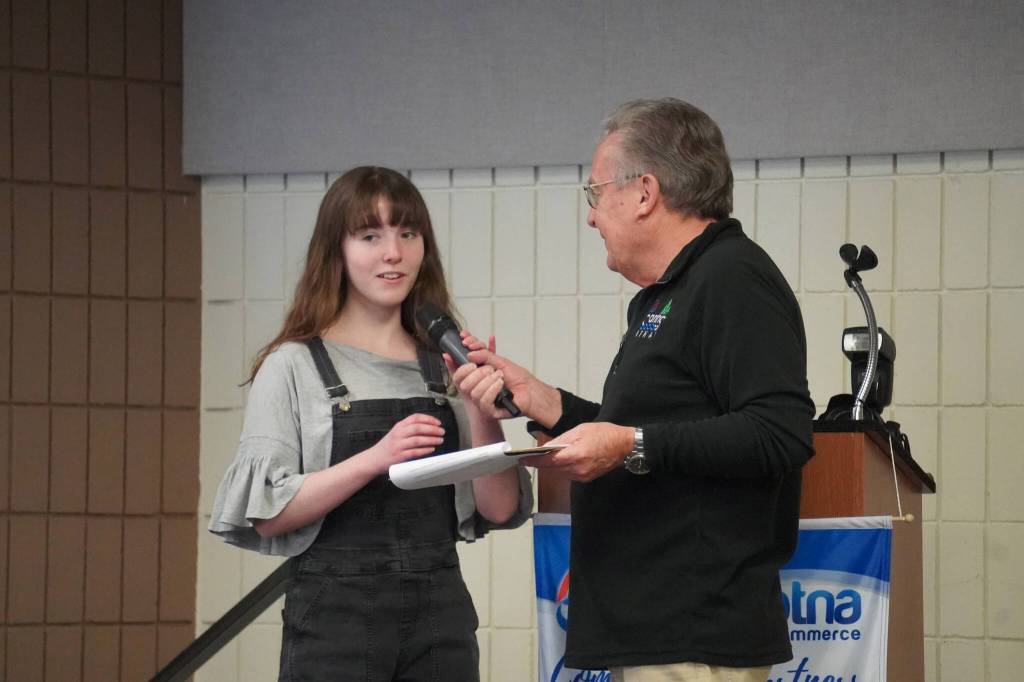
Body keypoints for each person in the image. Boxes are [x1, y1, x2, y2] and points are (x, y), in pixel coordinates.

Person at [460, 99, 815, 682]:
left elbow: (779, 432)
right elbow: (653, 426)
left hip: (695, 633)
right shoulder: (664, 294)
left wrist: (630, 445)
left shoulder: (732, 277)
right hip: (651, 629)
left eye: (594, 194)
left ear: (645, 192)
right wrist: (545, 401)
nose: (592, 217)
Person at [208, 166, 533, 682]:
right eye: (370, 236)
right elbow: (267, 517)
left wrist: (478, 407)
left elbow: (499, 508)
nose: (393, 253)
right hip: (335, 619)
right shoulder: (293, 365)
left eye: (408, 234)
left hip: (440, 611)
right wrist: (375, 459)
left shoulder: (445, 362)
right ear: (335, 251)